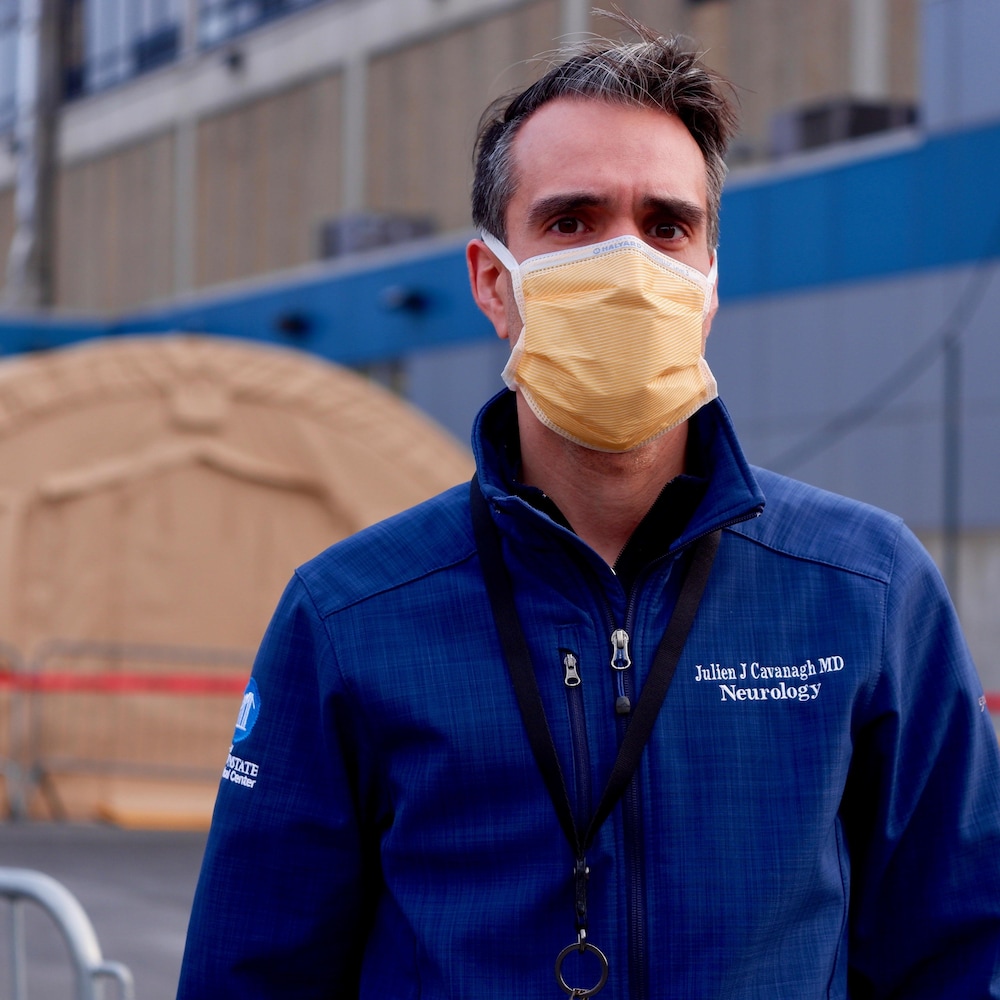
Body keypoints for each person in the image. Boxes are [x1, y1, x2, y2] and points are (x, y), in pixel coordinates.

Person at [177, 15, 1000, 999]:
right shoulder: (351, 616)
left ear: (707, 283)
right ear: (493, 280)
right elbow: (251, 973)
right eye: (571, 221)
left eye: (666, 225)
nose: (627, 265)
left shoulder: (866, 590)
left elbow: (955, 956)